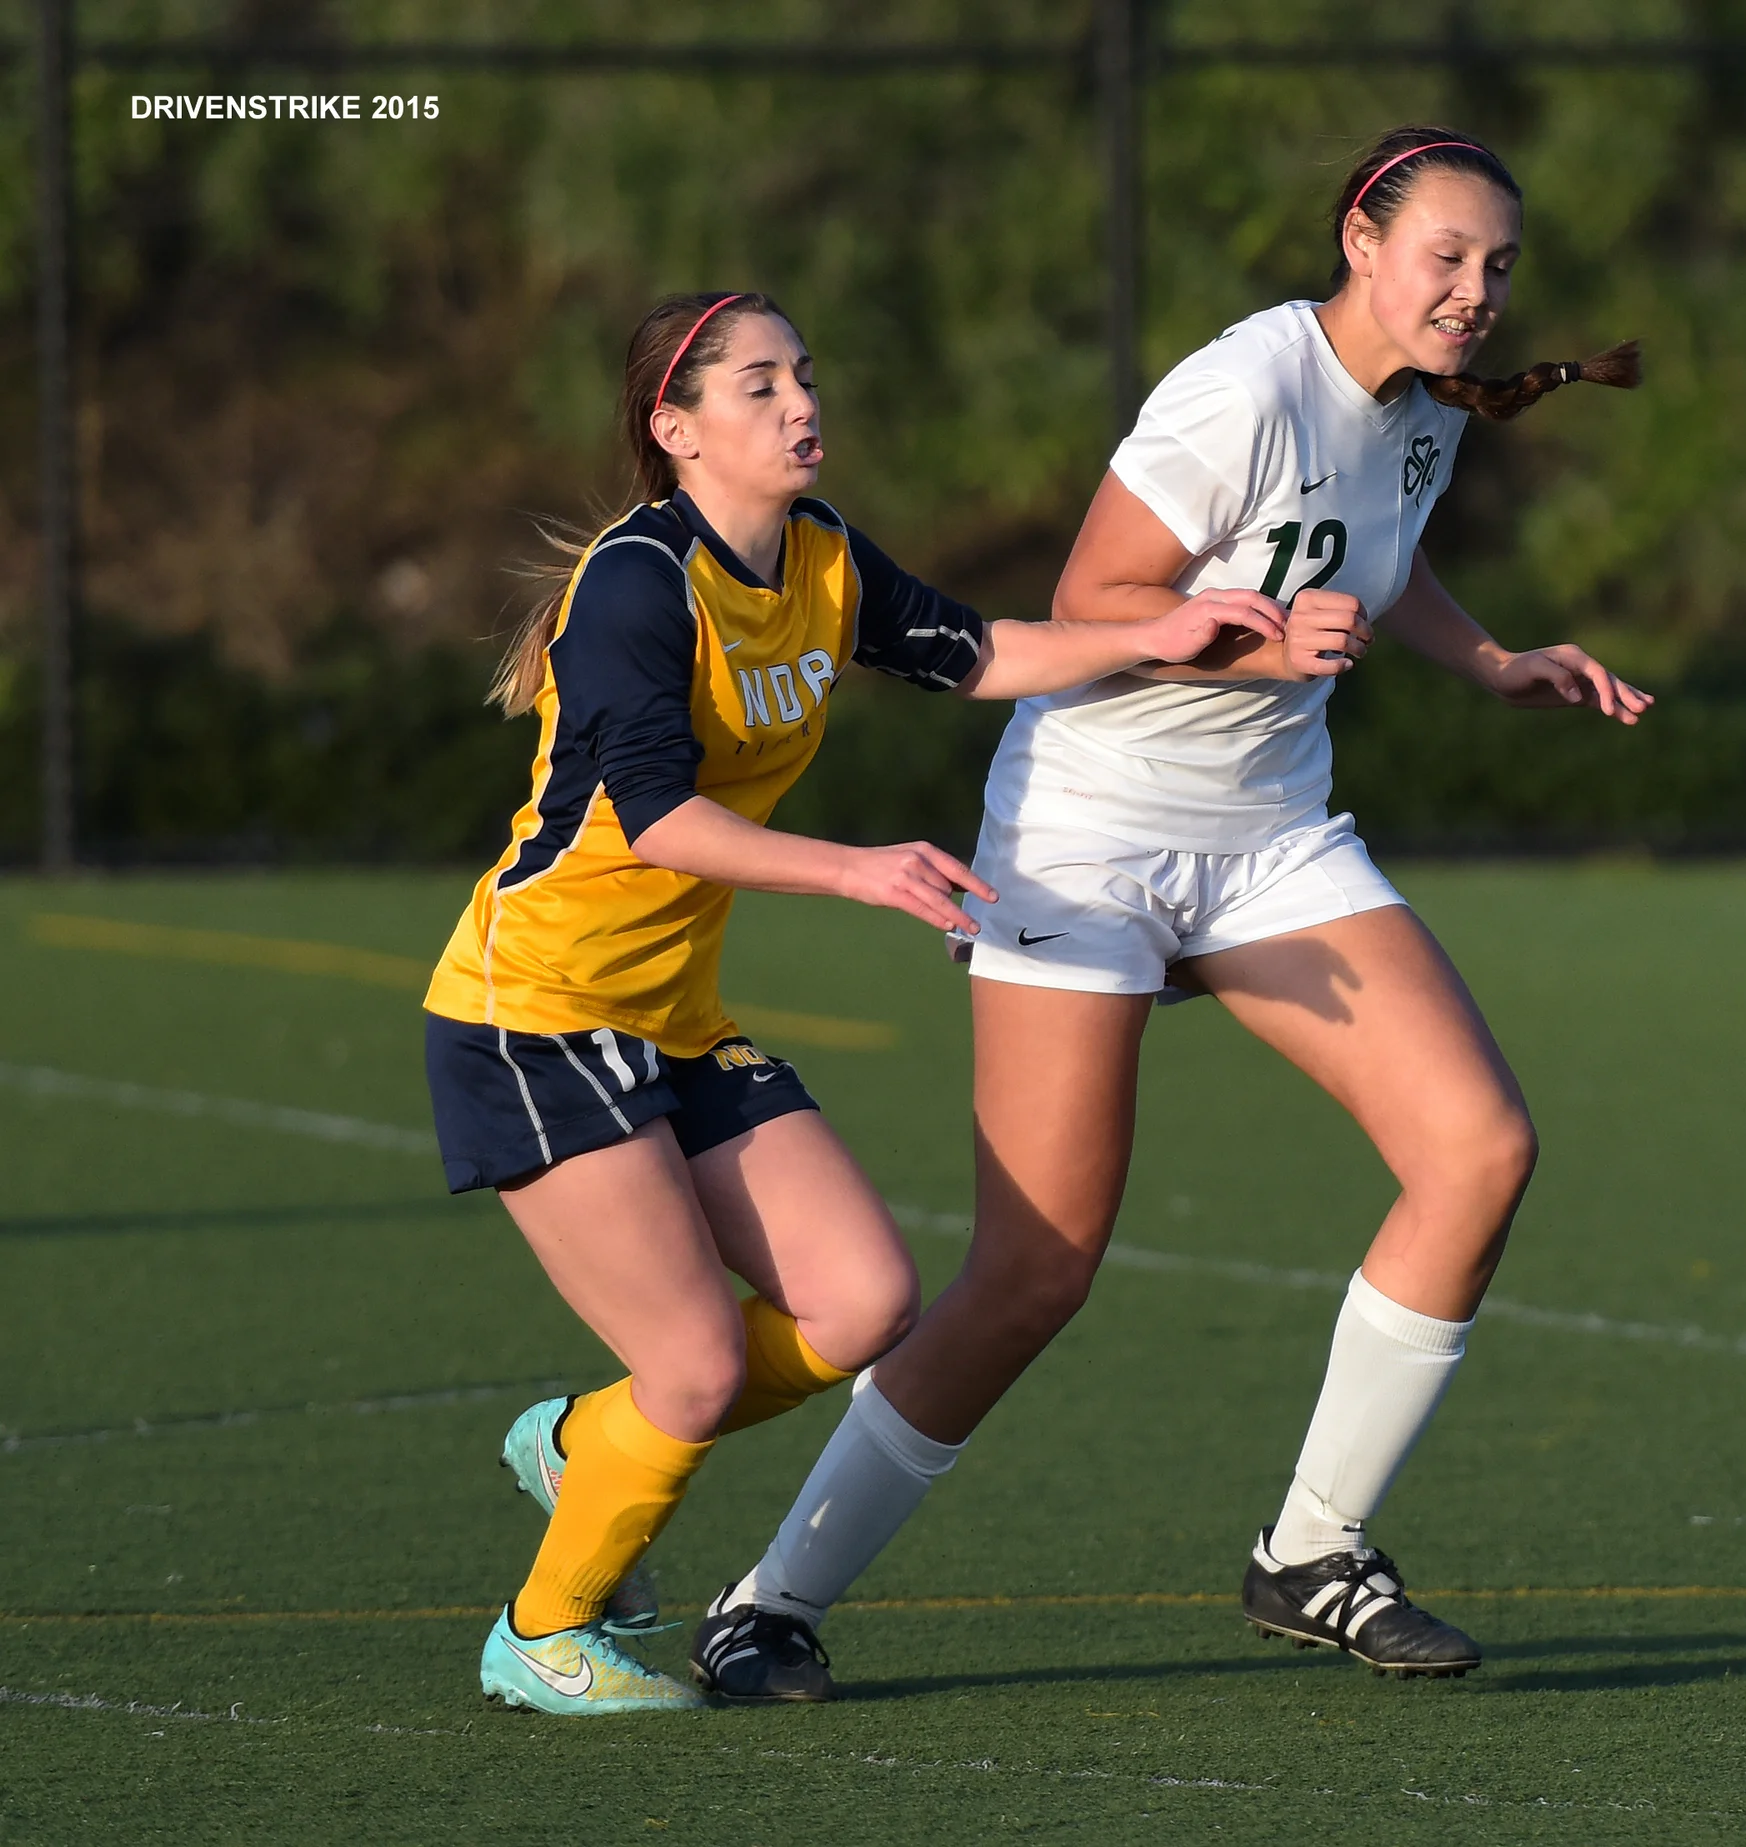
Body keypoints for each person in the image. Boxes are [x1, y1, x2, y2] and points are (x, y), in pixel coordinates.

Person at [705, 125, 1650, 1694]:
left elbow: (1381, 559)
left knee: (1480, 1149)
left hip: (1269, 839)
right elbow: (1093, 603)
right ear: (1360, 239)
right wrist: (1262, 647)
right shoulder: (1244, 387)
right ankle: (771, 1602)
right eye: (1447, 258)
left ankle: (1314, 1549)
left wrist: (1490, 660)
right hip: (1091, 841)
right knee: (1035, 1274)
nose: (1478, 293)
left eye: (1500, 268)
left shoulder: (1424, 408)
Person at [422, 289, 1285, 1714]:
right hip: (538, 1011)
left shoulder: (818, 556)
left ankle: (590, 1442)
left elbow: (979, 652)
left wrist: (1167, 633)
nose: (798, 403)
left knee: (863, 1298)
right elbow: (654, 820)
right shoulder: (641, 582)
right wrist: (856, 869)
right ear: (675, 427)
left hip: (669, 1011)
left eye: (802, 376)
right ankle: (542, 1626)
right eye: (756, 387)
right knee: (695, 1367)